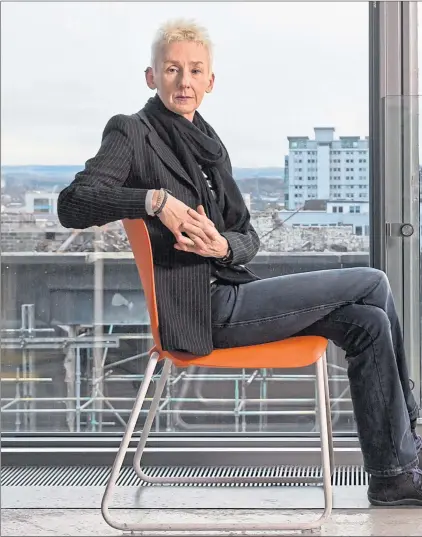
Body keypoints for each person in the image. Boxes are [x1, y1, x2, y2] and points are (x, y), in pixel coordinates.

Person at [57, 19, 422, 506]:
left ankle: (393, 476)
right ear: (152, 77)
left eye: (194, 70)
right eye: (172, 69)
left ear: (210, 81)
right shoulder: (133, 132)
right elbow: (73, 203)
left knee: (368, 322)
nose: (183, 81)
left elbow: (247, 237)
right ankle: (415, 427)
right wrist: (155, 202)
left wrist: (221, 248)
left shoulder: (210, 146)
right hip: (201, 310)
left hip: (231, 291)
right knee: (374, 281)